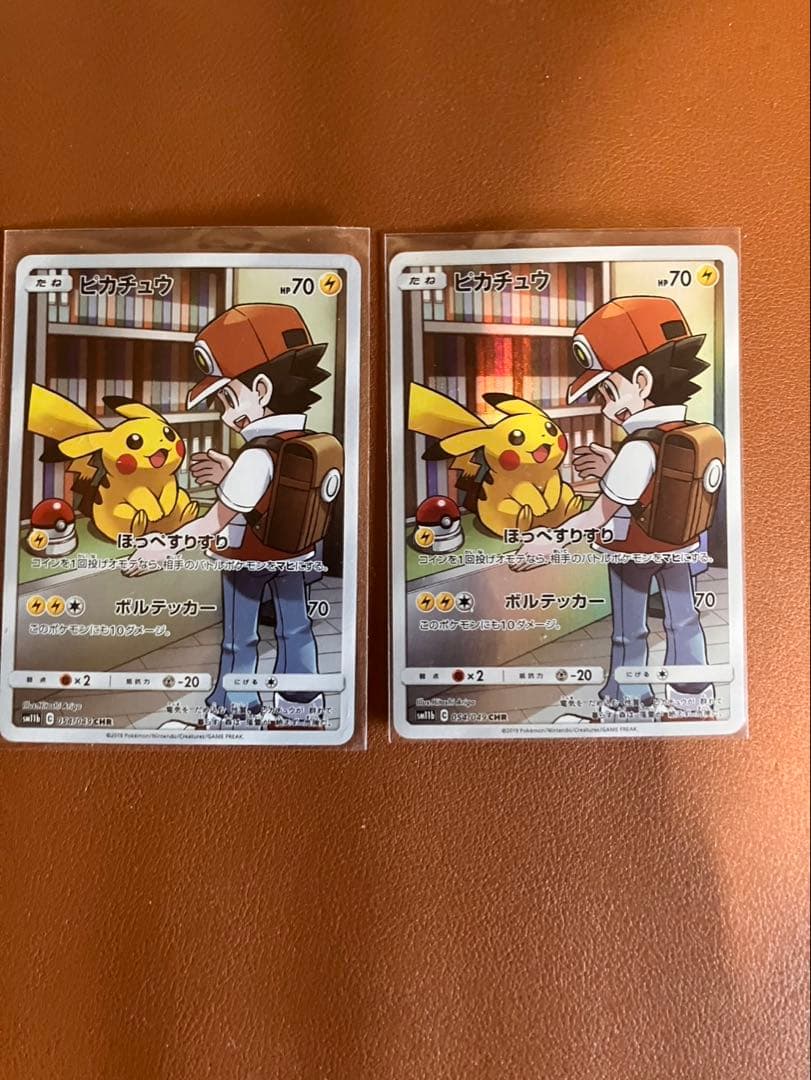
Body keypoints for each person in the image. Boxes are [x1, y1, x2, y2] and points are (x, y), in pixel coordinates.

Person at [514, 296, 721, 722]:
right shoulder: (686, 431)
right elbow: (657, 484)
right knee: (684, 620)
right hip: (677, 547)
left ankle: (628, 704)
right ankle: (692, 699)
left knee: (631, 631)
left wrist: (550, 540)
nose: (606, 406)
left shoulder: (638, 447)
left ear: (642, 382)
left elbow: (600, 514)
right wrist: (614, 466)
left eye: (610, 391)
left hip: (632, 553)